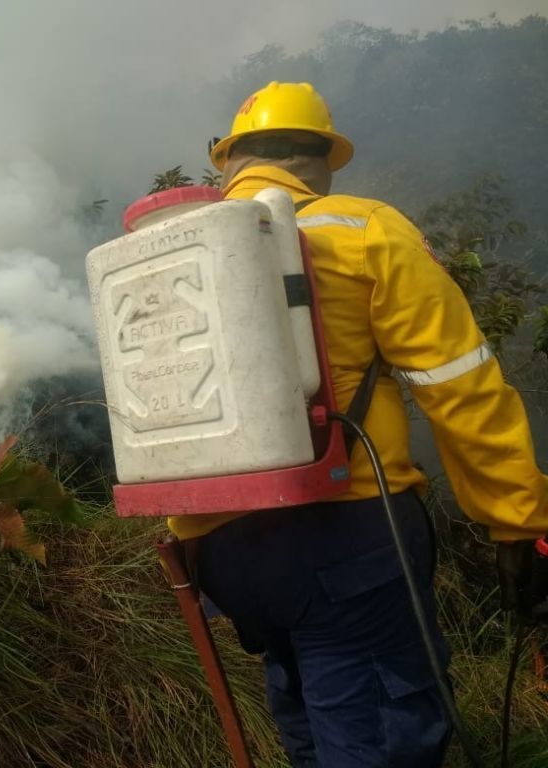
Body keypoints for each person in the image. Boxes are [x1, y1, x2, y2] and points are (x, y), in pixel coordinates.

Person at [167, 81, 548, 767]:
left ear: (230, 162)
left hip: (225, 555)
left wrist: (192, 540)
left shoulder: (170, 252)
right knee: (377, 734)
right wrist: (517, 519)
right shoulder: (362, 228)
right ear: (320, 160)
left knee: (310, 730)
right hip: (345, 540)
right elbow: (460, 387)